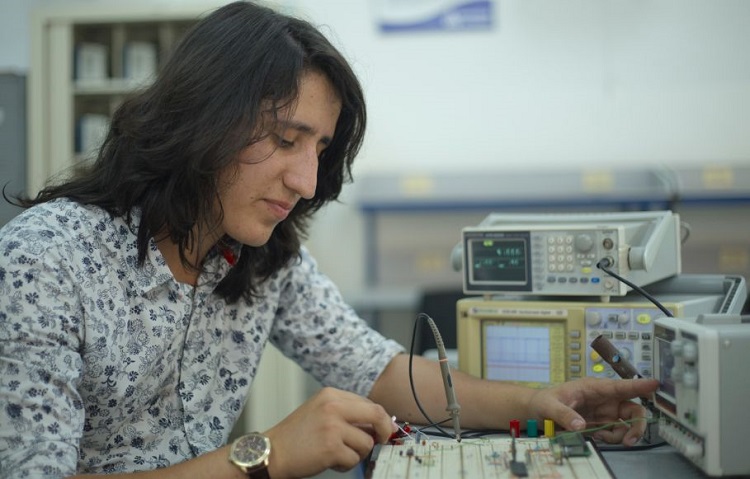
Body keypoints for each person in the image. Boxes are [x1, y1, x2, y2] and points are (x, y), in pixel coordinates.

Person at [0, 2, 658, 478]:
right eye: (285, 140)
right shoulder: (46, 261)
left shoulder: (261, 257)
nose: (308, 179)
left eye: (319, 148)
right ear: (199, 119)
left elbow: (377, 369)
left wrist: (537, 402)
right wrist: (265, 454)